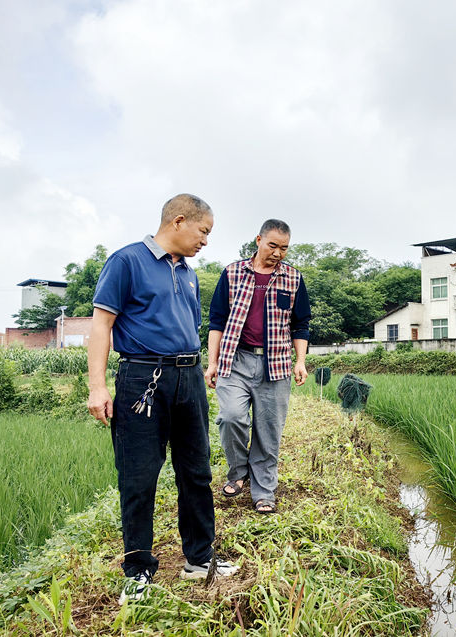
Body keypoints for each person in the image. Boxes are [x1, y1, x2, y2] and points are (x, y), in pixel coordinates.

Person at [87, 194, 238, 605]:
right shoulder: (127, 261)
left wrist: (202, 366)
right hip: (142, 378)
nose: (206, 240)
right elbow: (101, 325)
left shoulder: (188, 271)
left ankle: (199, 559)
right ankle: (137, 571)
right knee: (138, 476)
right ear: (179, 220)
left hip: (188, 377)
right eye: (203, 231)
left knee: (197, 471)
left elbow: (189, 326)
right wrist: (97, 386)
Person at [204, 219, 310, 514]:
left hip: (274, 362)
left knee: (268, 429)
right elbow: (217, 322)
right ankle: (239, 473)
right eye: (273, 245)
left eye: (284, 248)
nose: (278, 253)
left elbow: (301, 325)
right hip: (235, 359)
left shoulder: (293, 278)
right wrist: (212, 363)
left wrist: (299, 361)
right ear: (259, 240)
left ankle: (263, 490)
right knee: (230, 417)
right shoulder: (232, 273)